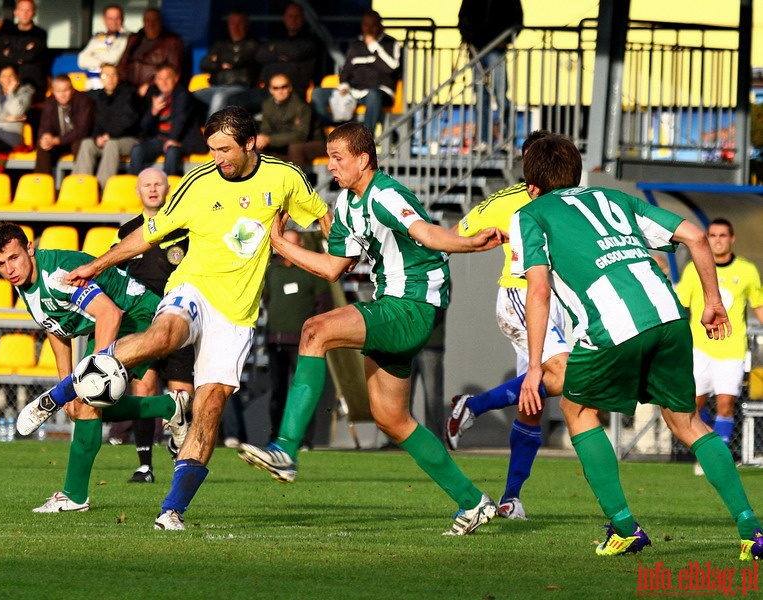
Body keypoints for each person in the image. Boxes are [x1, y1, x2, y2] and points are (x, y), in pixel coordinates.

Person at [16, 106, 331, 531]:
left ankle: (171, 510)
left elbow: (324, 218)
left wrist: (347, 251)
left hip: (237, 312)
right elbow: (148, 233)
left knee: (210, 406)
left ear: (251, 143)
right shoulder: (199, 183)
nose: (216, 156)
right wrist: (98, 265)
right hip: (193, 287)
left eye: (224, 149)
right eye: (211, 148)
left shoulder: (285, 177)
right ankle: (60, 394)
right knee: (166, 333)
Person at [237, 122, 507, 536]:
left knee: (314, 330)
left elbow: (426, 233)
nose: (330, 166)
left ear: (363, 159)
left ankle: (286, 450)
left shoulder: (386, 193)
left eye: (338, 158)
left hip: (414, 305)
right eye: (329, 157)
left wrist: (469, 244)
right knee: (391, 419)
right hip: (393, 306)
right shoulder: (346, 205)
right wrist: (282, 245)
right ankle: (474, 502)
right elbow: (332, 268)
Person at [513, 133, 763, 559]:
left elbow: (538, 291)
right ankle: (752, 531)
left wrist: (534, 366)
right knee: (687, 421)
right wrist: (713, 303)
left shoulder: (531, 214)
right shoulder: (615, 199)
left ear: (533, 185)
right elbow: (697, 238)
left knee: (577, 409)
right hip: (669, 317)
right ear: (576, 172)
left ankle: (624, 527)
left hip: (612, 326)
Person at [0, 223, 191, 511]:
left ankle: (74, 495)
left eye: (14, 258)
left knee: (88, 402)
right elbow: (56, 329)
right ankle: (169, 407)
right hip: (113, 320)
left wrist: (86, 379)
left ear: (30, 249)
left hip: (138, 314)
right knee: (88, 403)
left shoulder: (56, 275)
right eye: (0, 264)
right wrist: (69, 383)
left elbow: (109, 313)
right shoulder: (23, 284)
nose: (9, 269)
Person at [444, 130, 569, 521]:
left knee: (533, 403)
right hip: (521, 296)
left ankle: (511, 498)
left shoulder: (570, 196)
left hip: (563, 301)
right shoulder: (506, 201)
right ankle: (474, 405)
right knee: (564, 374)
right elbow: (452, 237)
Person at [107, 169, 195, 481]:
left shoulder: (184, 227)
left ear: (169, 188)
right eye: (147, 185)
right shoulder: (127, 231)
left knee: (182, 395)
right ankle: (144, 465)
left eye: (159, 183)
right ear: (138, 190)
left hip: (180, 317)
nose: (153, 189)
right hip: (143, 322)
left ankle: (177, 441)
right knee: (143, 388)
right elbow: (112, 273)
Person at [676, 218, 763, 476]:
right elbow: (682, 306)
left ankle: (718, 459)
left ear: (731, 238)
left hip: (732, 350)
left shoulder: (747, 271)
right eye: (712, 235)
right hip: (699, 349)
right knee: (693, 406)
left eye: (722, 235)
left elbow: (758, 304)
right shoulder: (694, 270)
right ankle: (707, 449)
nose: (717, 240)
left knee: (725, 405)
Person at [262, 228, 332, 448]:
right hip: (275, 341)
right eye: (285, 244)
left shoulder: (312, 271)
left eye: (293, 244)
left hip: (303, 343)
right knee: (277, 393)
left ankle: (304, 440)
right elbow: (266, 299)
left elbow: (324, 303)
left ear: (301, 246)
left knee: (304, 391)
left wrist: (315, 334)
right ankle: (275, 437)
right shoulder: (273, 271)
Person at [310, 11, 400, 135]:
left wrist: (374, 46)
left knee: (373, 95)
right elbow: (346, 70)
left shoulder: (390, 43)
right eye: (366, 25)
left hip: (379, 91)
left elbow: (391, 68)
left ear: (379, 25)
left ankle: (366, 139)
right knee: (317, 93)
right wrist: (345, 85)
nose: (369, 29)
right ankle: (333, 130)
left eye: (373, 25)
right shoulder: (356, 44)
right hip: (354, 90)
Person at [229, 2, 321, 116]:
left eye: (297, 16)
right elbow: (260, 55)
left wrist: (274, 51)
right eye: (290, 16)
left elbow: (295, 53)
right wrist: (283, 55)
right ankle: (247, 133)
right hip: (267, 90)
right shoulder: (276, 36)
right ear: (284, 18)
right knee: (233, 101)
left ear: (303, 18)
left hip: (292, 92)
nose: (293, 19)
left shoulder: (310, 41)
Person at [458, 0, 523, 149]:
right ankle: (483, 141)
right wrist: (468, 38)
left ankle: (507, 141)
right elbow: (464, 18)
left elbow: (517, 20)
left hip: (497, 50)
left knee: (501, 96)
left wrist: (506, 40)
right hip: (477, 50)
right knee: (481, 98)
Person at [128, 64, 205, 176]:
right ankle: (134, 187)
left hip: (182, 140)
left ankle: (168, 188)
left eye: (167, 78)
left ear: (175, 78)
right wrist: (153, 111)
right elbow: (143, 127)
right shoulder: (153, 93)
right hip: (159, 139)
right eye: (160, 79)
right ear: (155, 81)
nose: (164, 82)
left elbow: (180, 120)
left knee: (171, 151)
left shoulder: (183, 94)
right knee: (137, 150)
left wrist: (173, 139)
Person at [72, 63, 140, 188]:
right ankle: (81, 186)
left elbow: (128, 121)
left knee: (111, 144)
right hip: (106, 138)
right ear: (100, 78)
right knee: (88, 144)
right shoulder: (99, 97)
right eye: (106, 75)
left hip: (129, 139)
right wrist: (97, 137)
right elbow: (97, 122)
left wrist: (109, 136)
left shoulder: (129, 95)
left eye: (113, 75)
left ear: (118, 77)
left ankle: (101, 187)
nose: (110, 78)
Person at [255, 73, 325, 170]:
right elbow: (266, 129)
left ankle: (297, 182)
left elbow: (300, 135)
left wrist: (270, 139)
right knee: (257, 146)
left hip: (313, 142)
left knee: (295, 147)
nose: (280, 91)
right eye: (276, 88)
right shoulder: (267, 105)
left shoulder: (301, 106)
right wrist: (262, 139)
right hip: (284, 142)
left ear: (290, 87)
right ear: (270, 90)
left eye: (284, 87)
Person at [195, 10, 258, 117]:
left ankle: (213, 132)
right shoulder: (220, 44)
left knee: (219, 97)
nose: (235, 27)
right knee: (193, 96)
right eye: (232, 23)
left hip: (240, 88)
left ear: (246, 25)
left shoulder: (252, 44)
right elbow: (204, 64)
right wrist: (220, 64)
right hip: (217, 86)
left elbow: (236, 61)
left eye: (239, 23)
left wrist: (217, 59)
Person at [35, 74, 94, 176]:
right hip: (57, 141)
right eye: (58, 91)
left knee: (80, 144)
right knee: (42, 145)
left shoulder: (83, 101)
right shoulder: (50, 102)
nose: (62, 95)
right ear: (53, 92)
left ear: (72, 90)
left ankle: (80, 182)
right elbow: (44, 126)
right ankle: (42, 184)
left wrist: (57, 140)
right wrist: (46, 136)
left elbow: (81, 131)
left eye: (65, 90)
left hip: (76, 140)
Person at [117, 8, 185, 96]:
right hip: (128, 88)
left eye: (155, 20)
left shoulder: (172, 42)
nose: (151, 24)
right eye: (147, 20)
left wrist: (151, 85)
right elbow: (123, 62)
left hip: (153, 89)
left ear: (161, 22)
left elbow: (174, 70)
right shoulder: (134, 38)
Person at [0, 0, 48, 102]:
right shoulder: (7, 33)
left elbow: (31, 56)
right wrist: (22, 54)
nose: (24, 13)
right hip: (8, 83)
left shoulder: (40, 34)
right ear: (15, 12)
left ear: (34, 13)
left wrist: (10, 53)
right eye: (22, 10)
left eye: (28, 10)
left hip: (32, 82)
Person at [77, 5, 130, 90]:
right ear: (104, 20)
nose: (114, 22)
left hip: (110, 86)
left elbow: (112, 59)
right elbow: (81, 59)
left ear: (122, 19)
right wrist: (102, 64)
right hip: (90, 84)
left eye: (117, 18)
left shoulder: (127, 37)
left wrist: (94, 55)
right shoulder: (98, 37)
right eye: (110, 18)